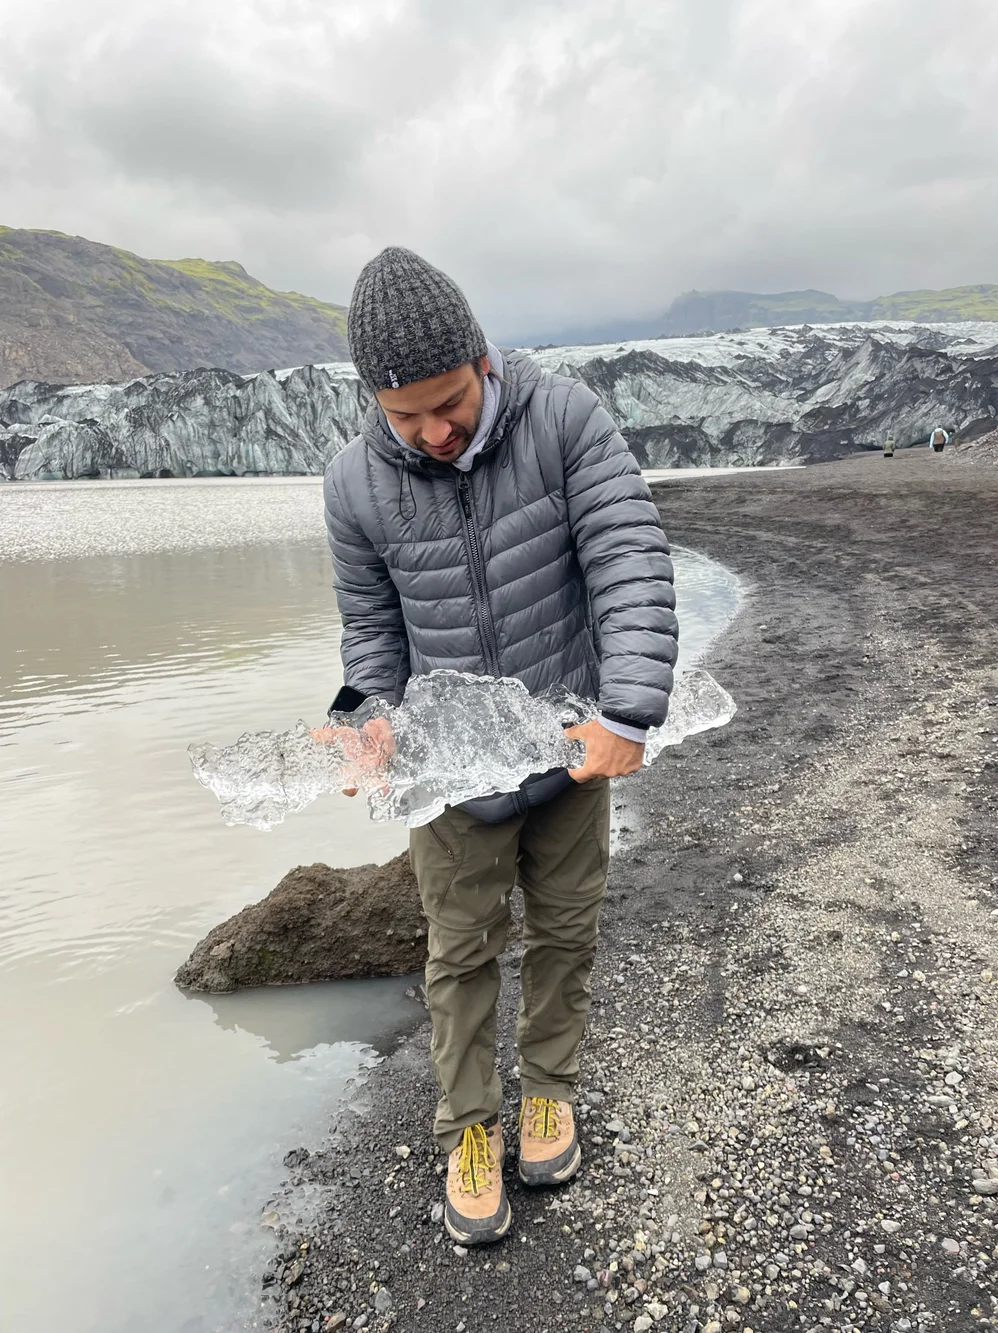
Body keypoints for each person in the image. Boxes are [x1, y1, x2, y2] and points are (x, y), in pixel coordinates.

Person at [315, 247, 677, 1246]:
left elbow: (628, 559)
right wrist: (363, 717)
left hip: (568, 750)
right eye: (405, 417)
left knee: (566, 931)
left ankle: (549, 1090)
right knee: (459, 954)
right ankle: (470, 1129)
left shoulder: (564, 421)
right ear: (372, 402)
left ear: (481, 359)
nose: (433, 433)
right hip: (449, 776)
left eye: (449, 404)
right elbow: (369, 638)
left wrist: (628, 710)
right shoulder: (353, 487)